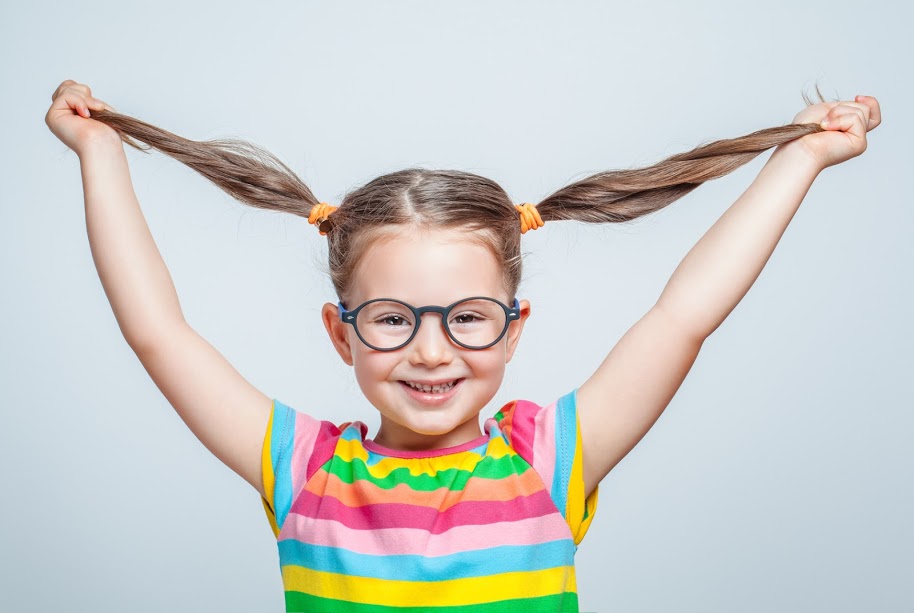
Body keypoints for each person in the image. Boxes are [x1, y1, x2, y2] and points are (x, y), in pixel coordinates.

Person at [45, 79, 880, 612]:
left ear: (516, 330)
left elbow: (684, 315)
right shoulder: (305, 472)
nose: (431, 351)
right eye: (393, 317)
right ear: (342, 334)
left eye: (468, 317)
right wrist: (101, 153)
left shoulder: (549, 461)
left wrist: (799, 160)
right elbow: (158, 332)